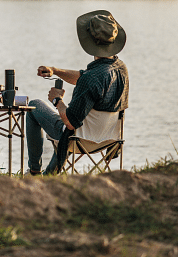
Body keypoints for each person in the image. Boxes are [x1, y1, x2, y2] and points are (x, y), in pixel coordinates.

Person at [26, 10, 129, 175]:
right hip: (108, 139)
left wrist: (57, 100)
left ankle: (34, 172)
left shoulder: (92, 78)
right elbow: (83, 78)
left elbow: (70, 122)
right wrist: (55, 70)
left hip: (79, 140)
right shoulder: (120, 69)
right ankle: (49, 175)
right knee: (69, 124)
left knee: (34, 106)